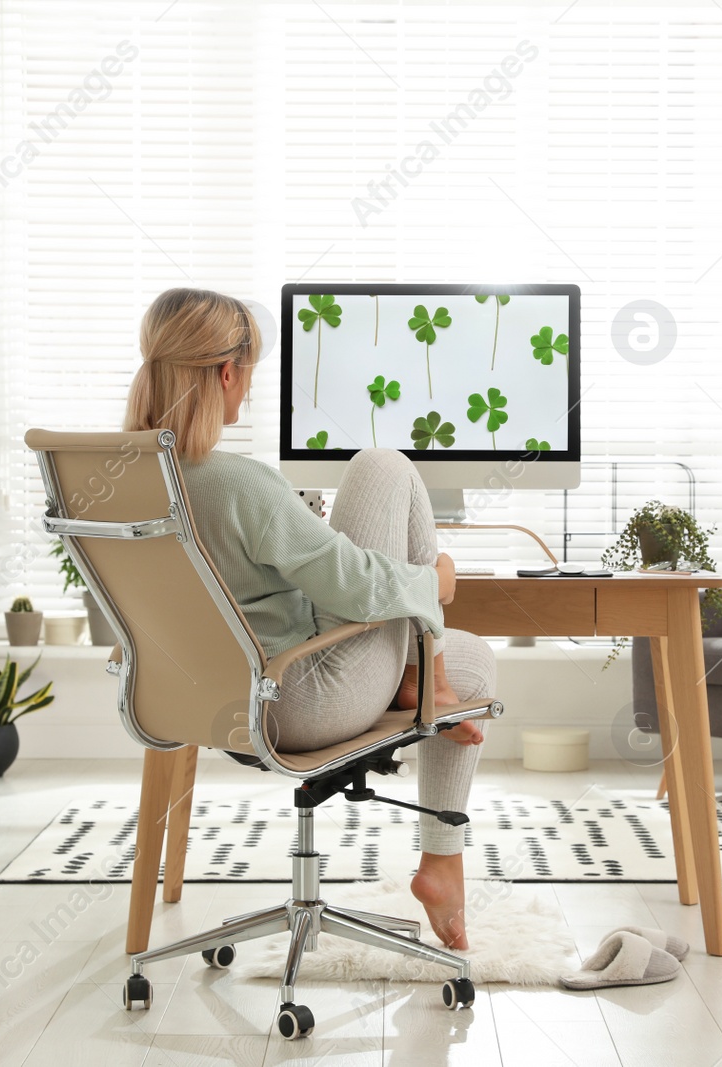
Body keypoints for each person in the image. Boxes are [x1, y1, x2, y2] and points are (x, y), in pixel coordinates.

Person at [123, 287, 494, 949]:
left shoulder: (126, 482)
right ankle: (441, 830)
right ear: (228, 372)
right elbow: (354, 587)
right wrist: (432, 579)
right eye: (251, 372)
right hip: (298, 700)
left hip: (206, 703)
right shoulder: (237, 482)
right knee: (384, 465)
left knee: (473, 661)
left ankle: (429, 688)